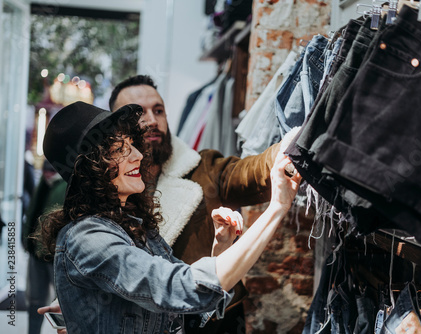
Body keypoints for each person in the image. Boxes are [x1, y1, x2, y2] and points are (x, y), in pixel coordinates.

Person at [39, 75, 290, 333]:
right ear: (93, 167)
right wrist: (277, 208)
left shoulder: (135, 227)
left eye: (158, 110)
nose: (138, 155)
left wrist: (221, 249)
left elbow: (186, 310)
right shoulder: (88, 237)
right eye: (120, 149)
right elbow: (180, 289)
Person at [22, 160, 66, 334]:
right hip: (37, 253)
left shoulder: (65, 186)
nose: (47, 175)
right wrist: (27, 240)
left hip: (55, 255)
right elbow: (33, 211)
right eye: (45, 172)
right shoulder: (44, 183)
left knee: (63, 301)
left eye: (50, 172)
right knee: (35, 299)